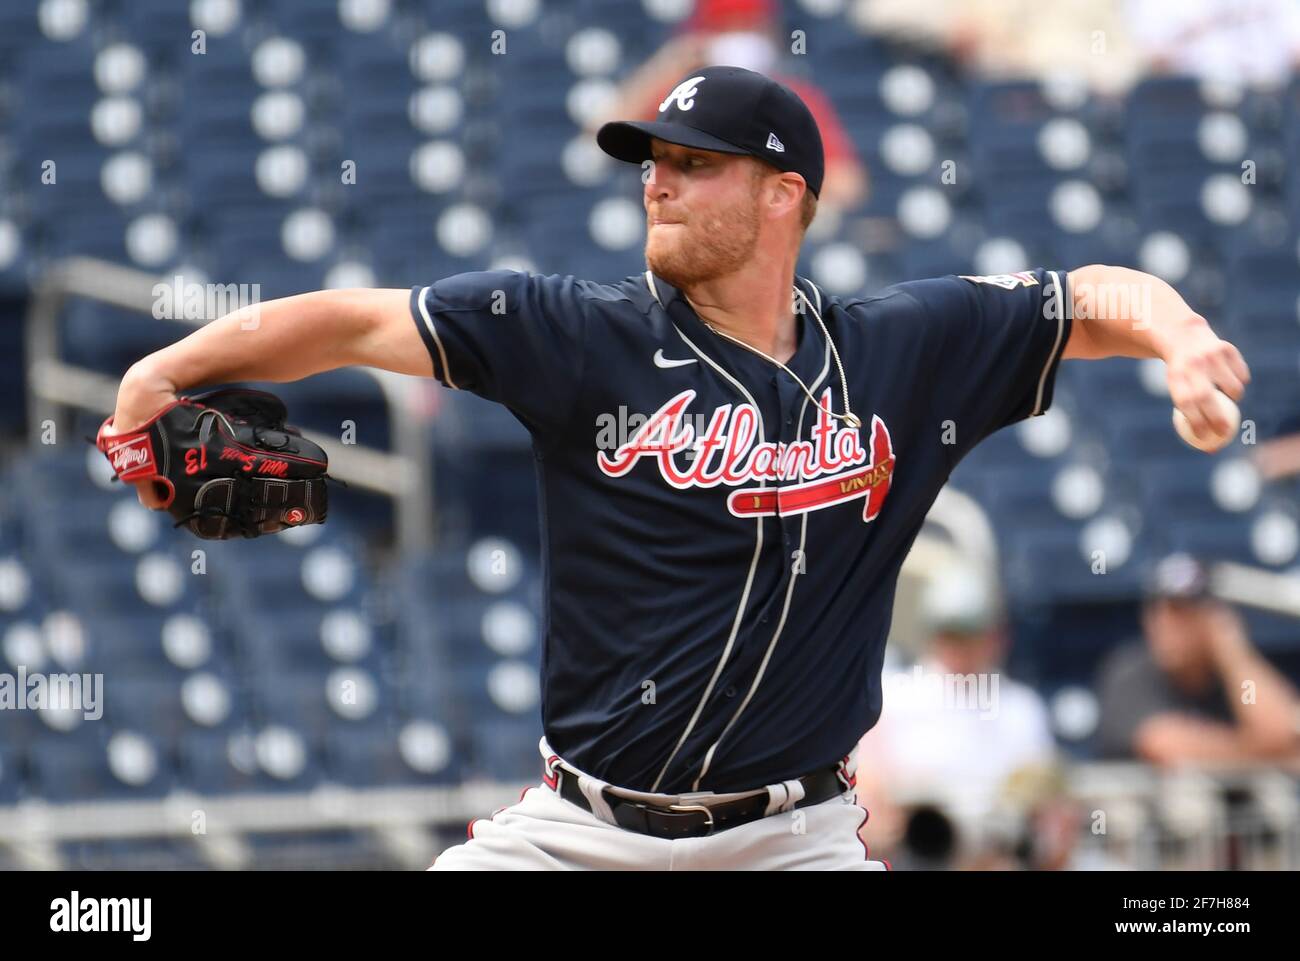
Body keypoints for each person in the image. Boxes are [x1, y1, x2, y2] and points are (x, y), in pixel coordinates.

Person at [106, 65, 1252, 870]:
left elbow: (1089, 296)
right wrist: (164, 369)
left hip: (790, 840)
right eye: (653, 159)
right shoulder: (575, 335)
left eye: (694, 164)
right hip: (580, 834)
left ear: (781, 194)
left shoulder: (904, 350)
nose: (656, 180)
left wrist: (1184, 340)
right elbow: (354, 322)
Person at [853, 563, 1058, 867]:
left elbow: (1045, 807)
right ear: (934, 635)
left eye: (972, 634)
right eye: (951, 634)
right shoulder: (893, 696)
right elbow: (865, 784)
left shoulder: (1022, 708)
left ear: (996, 637)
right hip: (912, 855)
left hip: (996, 856)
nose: (962, 648)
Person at [588, 0, 868, 212]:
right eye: (726, 28)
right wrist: (667, 65)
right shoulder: (682, 92)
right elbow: (601, 131)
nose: (739, 39)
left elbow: (847, 183)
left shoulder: (791, 96)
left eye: (748, 26)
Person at [1096, 553, 1300, 764]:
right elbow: (1167, 748)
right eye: (1159, 611)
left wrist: (1234, 652)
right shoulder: (1129, 670)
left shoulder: (1234, 674)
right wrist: (1265, 753)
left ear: (1212, 619)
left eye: (1181, 613)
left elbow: (1283, 733)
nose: (1166, 624)